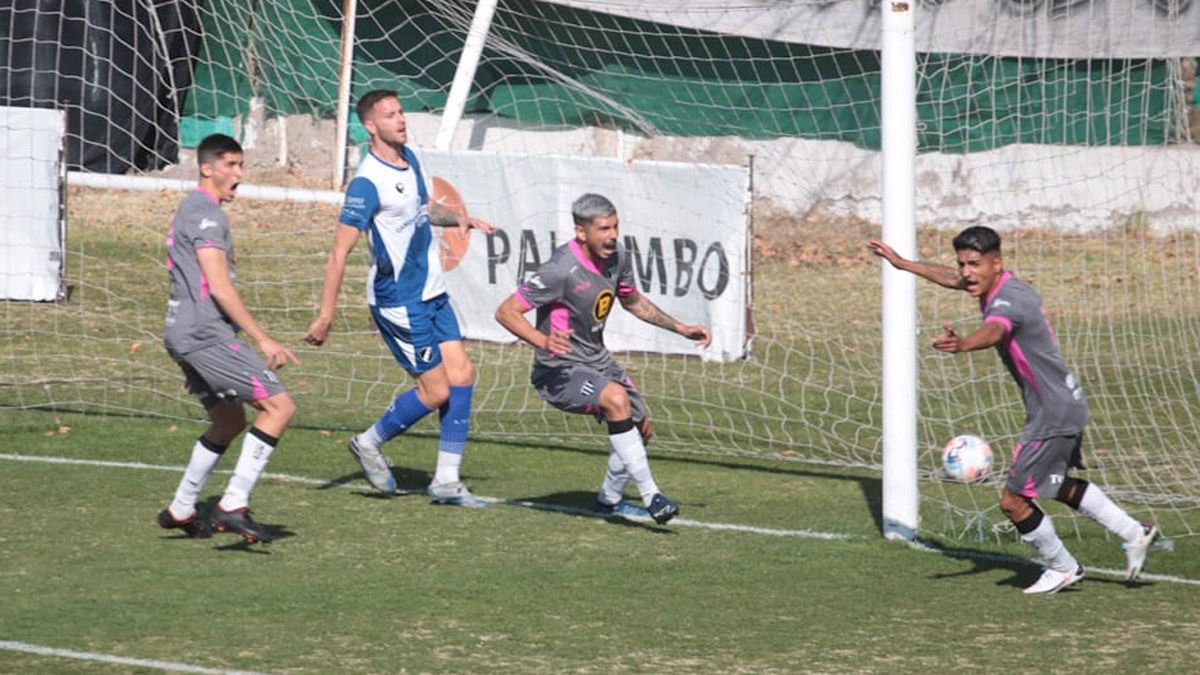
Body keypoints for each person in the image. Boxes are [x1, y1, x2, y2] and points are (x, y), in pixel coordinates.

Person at [868, 226, 1159, 593]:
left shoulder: (1012, 301)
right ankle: (1136, 532)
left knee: (1012, 501)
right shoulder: (994, 283)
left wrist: (963, 345)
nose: (966, 272)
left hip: (1053, 411)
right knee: (1054, 485)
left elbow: (994, 330)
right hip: (1062, 404)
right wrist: (903, 263)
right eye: (963, 263)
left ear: (997, 263)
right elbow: (952, 278)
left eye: (974, 264)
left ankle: (1062, 566)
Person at [304, 89, 493, 506]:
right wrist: (325, 314)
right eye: (390, 115)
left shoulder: (411, 159)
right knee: (436, 391)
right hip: (399, 301)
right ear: (371, 126)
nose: (401, 119)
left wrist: (460, 218)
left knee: (462, 375)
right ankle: (369, 442)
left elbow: (422, 209)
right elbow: (339, 250)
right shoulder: (367, 183)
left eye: (401, 111)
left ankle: (445, 481)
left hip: (432, 292)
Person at [494, 193, 712, 524]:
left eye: (616, 227)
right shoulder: (560, 270)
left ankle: (609, 501)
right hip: (559, 370)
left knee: (640, 428)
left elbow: (633, 301)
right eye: (604, 229)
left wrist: (680, 328)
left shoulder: (617, 258)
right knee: (616, 399)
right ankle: (653, 495)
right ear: (581, 232)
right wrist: (542, 341)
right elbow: (506, 311)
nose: (612, 236)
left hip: (597, 359)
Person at [157, 133, 299, 544]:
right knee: (279, 407)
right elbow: (218, 286)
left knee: (228, 420)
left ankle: (183, 507)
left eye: (241, 166)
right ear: (207, 168)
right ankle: (233, 502)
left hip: (184, 332)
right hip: (204, 334)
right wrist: (264, 339)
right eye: (230, 166)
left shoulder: (192, 209)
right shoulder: (207, 216)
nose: (238, 175)